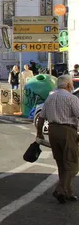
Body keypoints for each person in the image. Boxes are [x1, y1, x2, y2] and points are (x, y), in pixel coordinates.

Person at [36, 75, 79, 203]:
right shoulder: (71, 98)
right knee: (72, 164)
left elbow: (41, 118)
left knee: (61, 163)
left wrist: (39, 133)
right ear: (68, 85)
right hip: (67, 131)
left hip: (53, 131)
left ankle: (68, 192)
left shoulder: (50, 98)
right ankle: (60, 189)